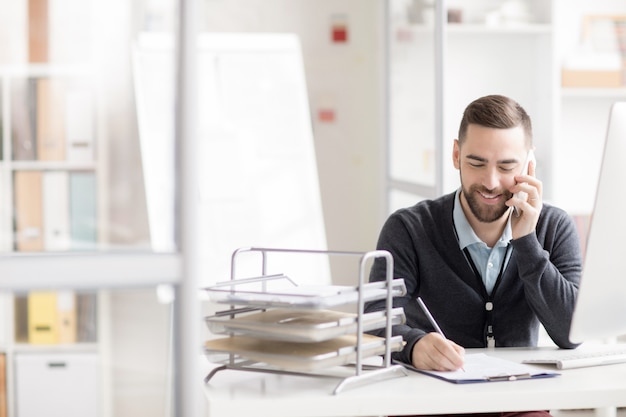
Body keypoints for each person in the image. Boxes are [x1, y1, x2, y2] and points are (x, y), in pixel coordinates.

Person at [366, 95, 582, 417]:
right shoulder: (408, 228)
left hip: (519, 401)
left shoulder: (554, 226)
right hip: (430, 399)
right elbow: (374, 319)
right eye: (477, 163)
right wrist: (414, 345)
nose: (491, 183)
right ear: (456, 155)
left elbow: (571, 333)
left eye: (507, 166)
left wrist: (526, 241)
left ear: (528, 164)